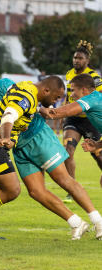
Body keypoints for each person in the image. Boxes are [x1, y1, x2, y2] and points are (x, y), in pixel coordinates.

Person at [0, 64, 102, 240]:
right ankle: (76, 223)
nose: (56, 101)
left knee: (63, 179)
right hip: (19, 146)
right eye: (57, 97)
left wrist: (40, 113)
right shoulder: (25, 92)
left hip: (39, 137)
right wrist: (8, 137)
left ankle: (98, 221)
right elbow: (10, 114)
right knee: (36, 191)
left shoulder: (20, 89)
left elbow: (14, 111)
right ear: (46, 90)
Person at [62, 40, 102, 203]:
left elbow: (96, 100)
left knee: (97, 154)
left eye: (79, 58)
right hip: (73, 118)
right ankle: (72, 189)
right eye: (75, 57)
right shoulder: (69, 74)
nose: (76, 60)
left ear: (87, 61)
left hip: (90, 120)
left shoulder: (95, 78)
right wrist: (66, 109)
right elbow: (68, 96)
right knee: (68, 151)